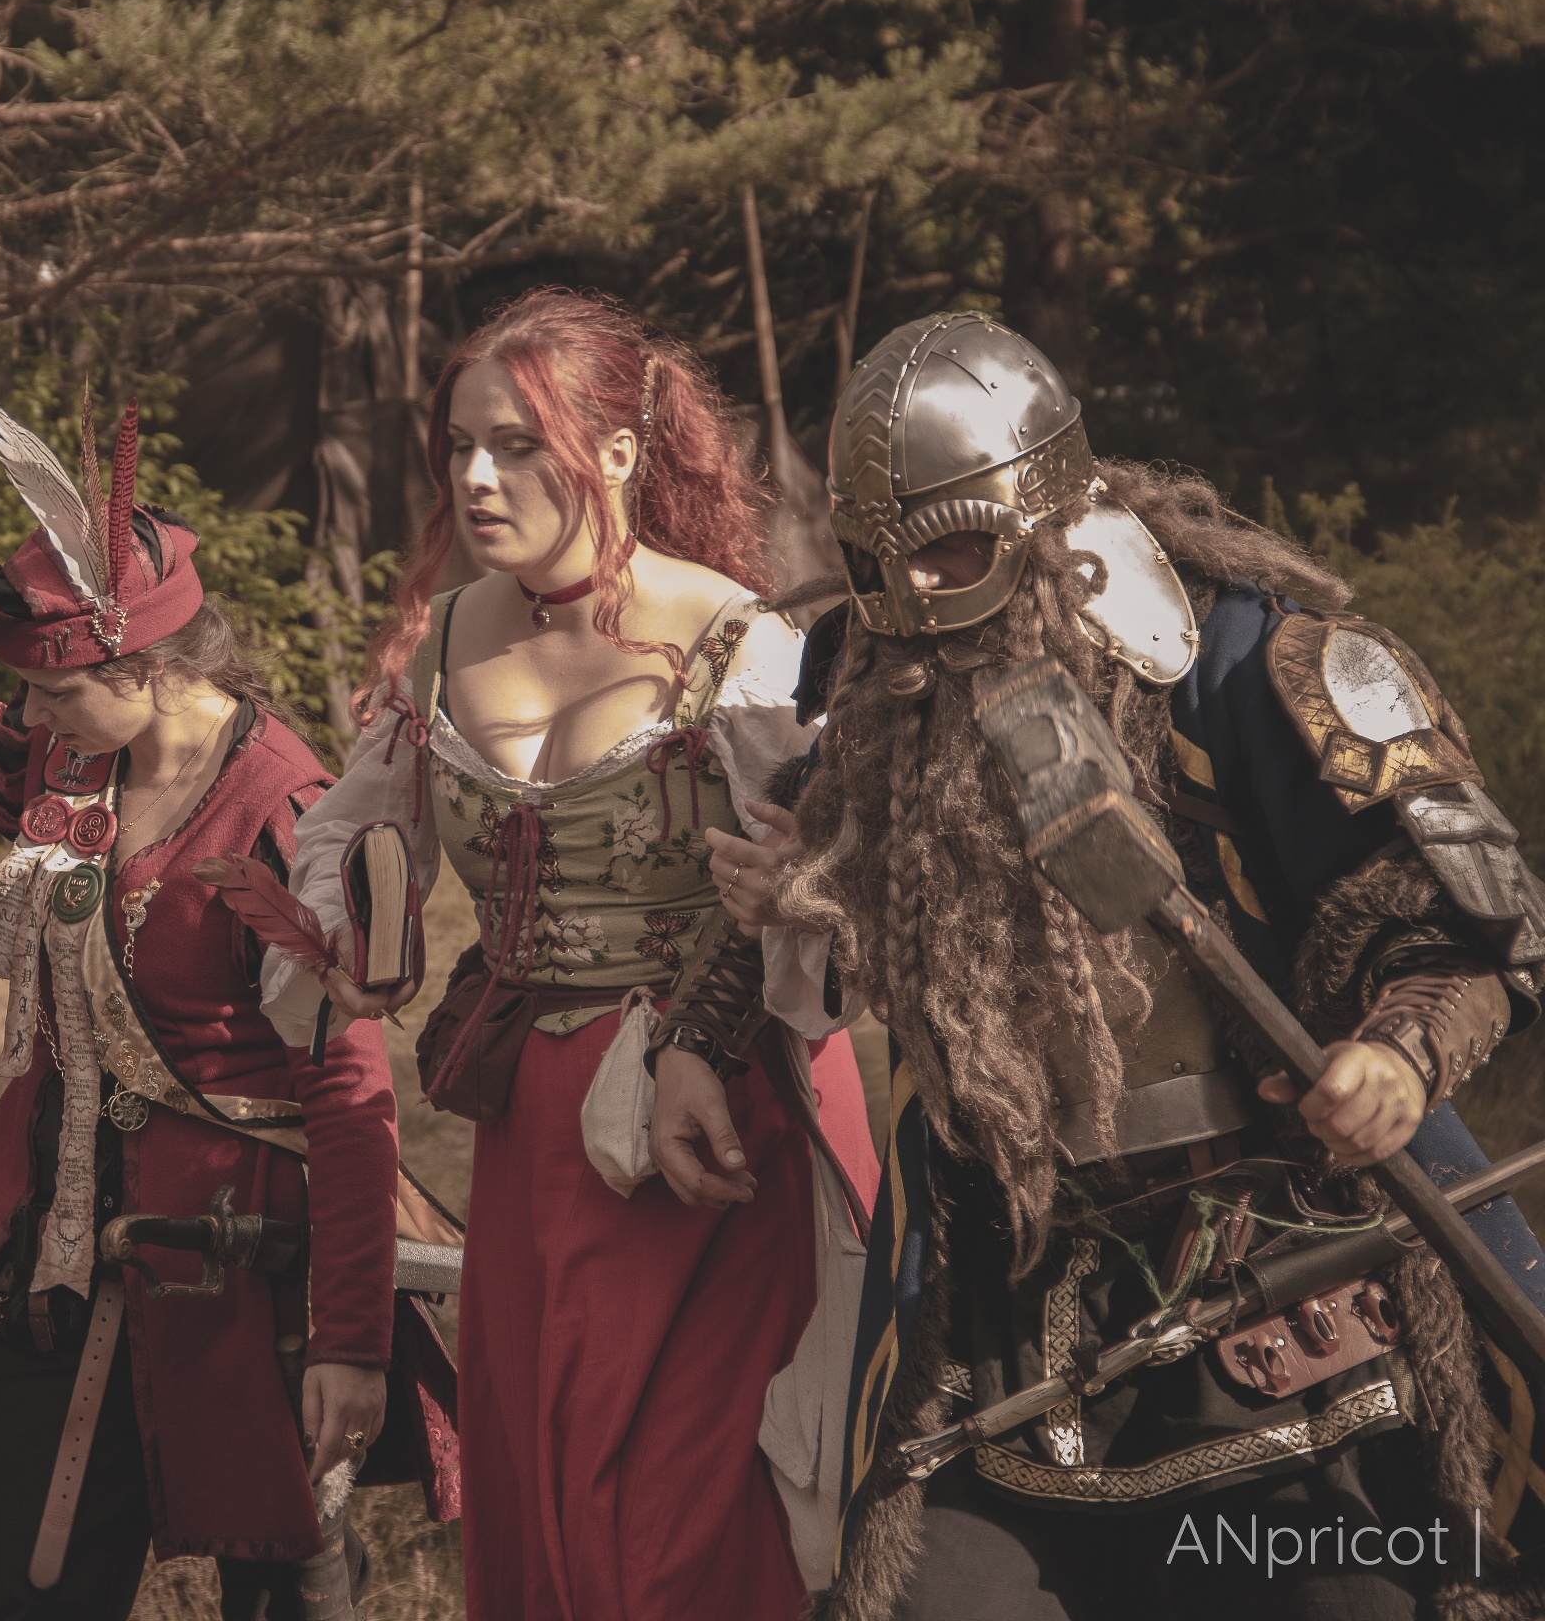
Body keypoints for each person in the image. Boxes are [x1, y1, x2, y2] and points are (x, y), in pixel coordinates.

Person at [735, 312, 1545, 1620]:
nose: (918, 594)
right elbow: (809, 863)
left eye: (952, 548)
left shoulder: (1252, 665)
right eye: (884, 557)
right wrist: (736, 989)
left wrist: (1398, 1060)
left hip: (1284, 1271)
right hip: (1014, 1301)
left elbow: (1464, 925)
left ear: (1046, 518)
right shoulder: (881, 691)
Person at [264, 288, 881, 1620]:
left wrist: (798, 892)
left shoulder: (741, 645)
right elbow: (359, 839)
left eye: (517, 446)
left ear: (615, 451)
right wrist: (357, 936)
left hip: (712, 1116)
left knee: (673, 1533)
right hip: (535, 1130)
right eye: (459, 446)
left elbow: (843, 896)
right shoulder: (446, 635)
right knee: (542, 1498)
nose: (477, 479)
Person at [0, 397, 457, 1620]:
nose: (34, 719)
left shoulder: (287, 814)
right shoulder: (66, 760)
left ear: (156, 671)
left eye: (57, 694)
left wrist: (350, 1341)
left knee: (283, 1596)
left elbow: (349, 1094)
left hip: (244, 1271)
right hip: (61, 1255)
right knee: (34, 1594)